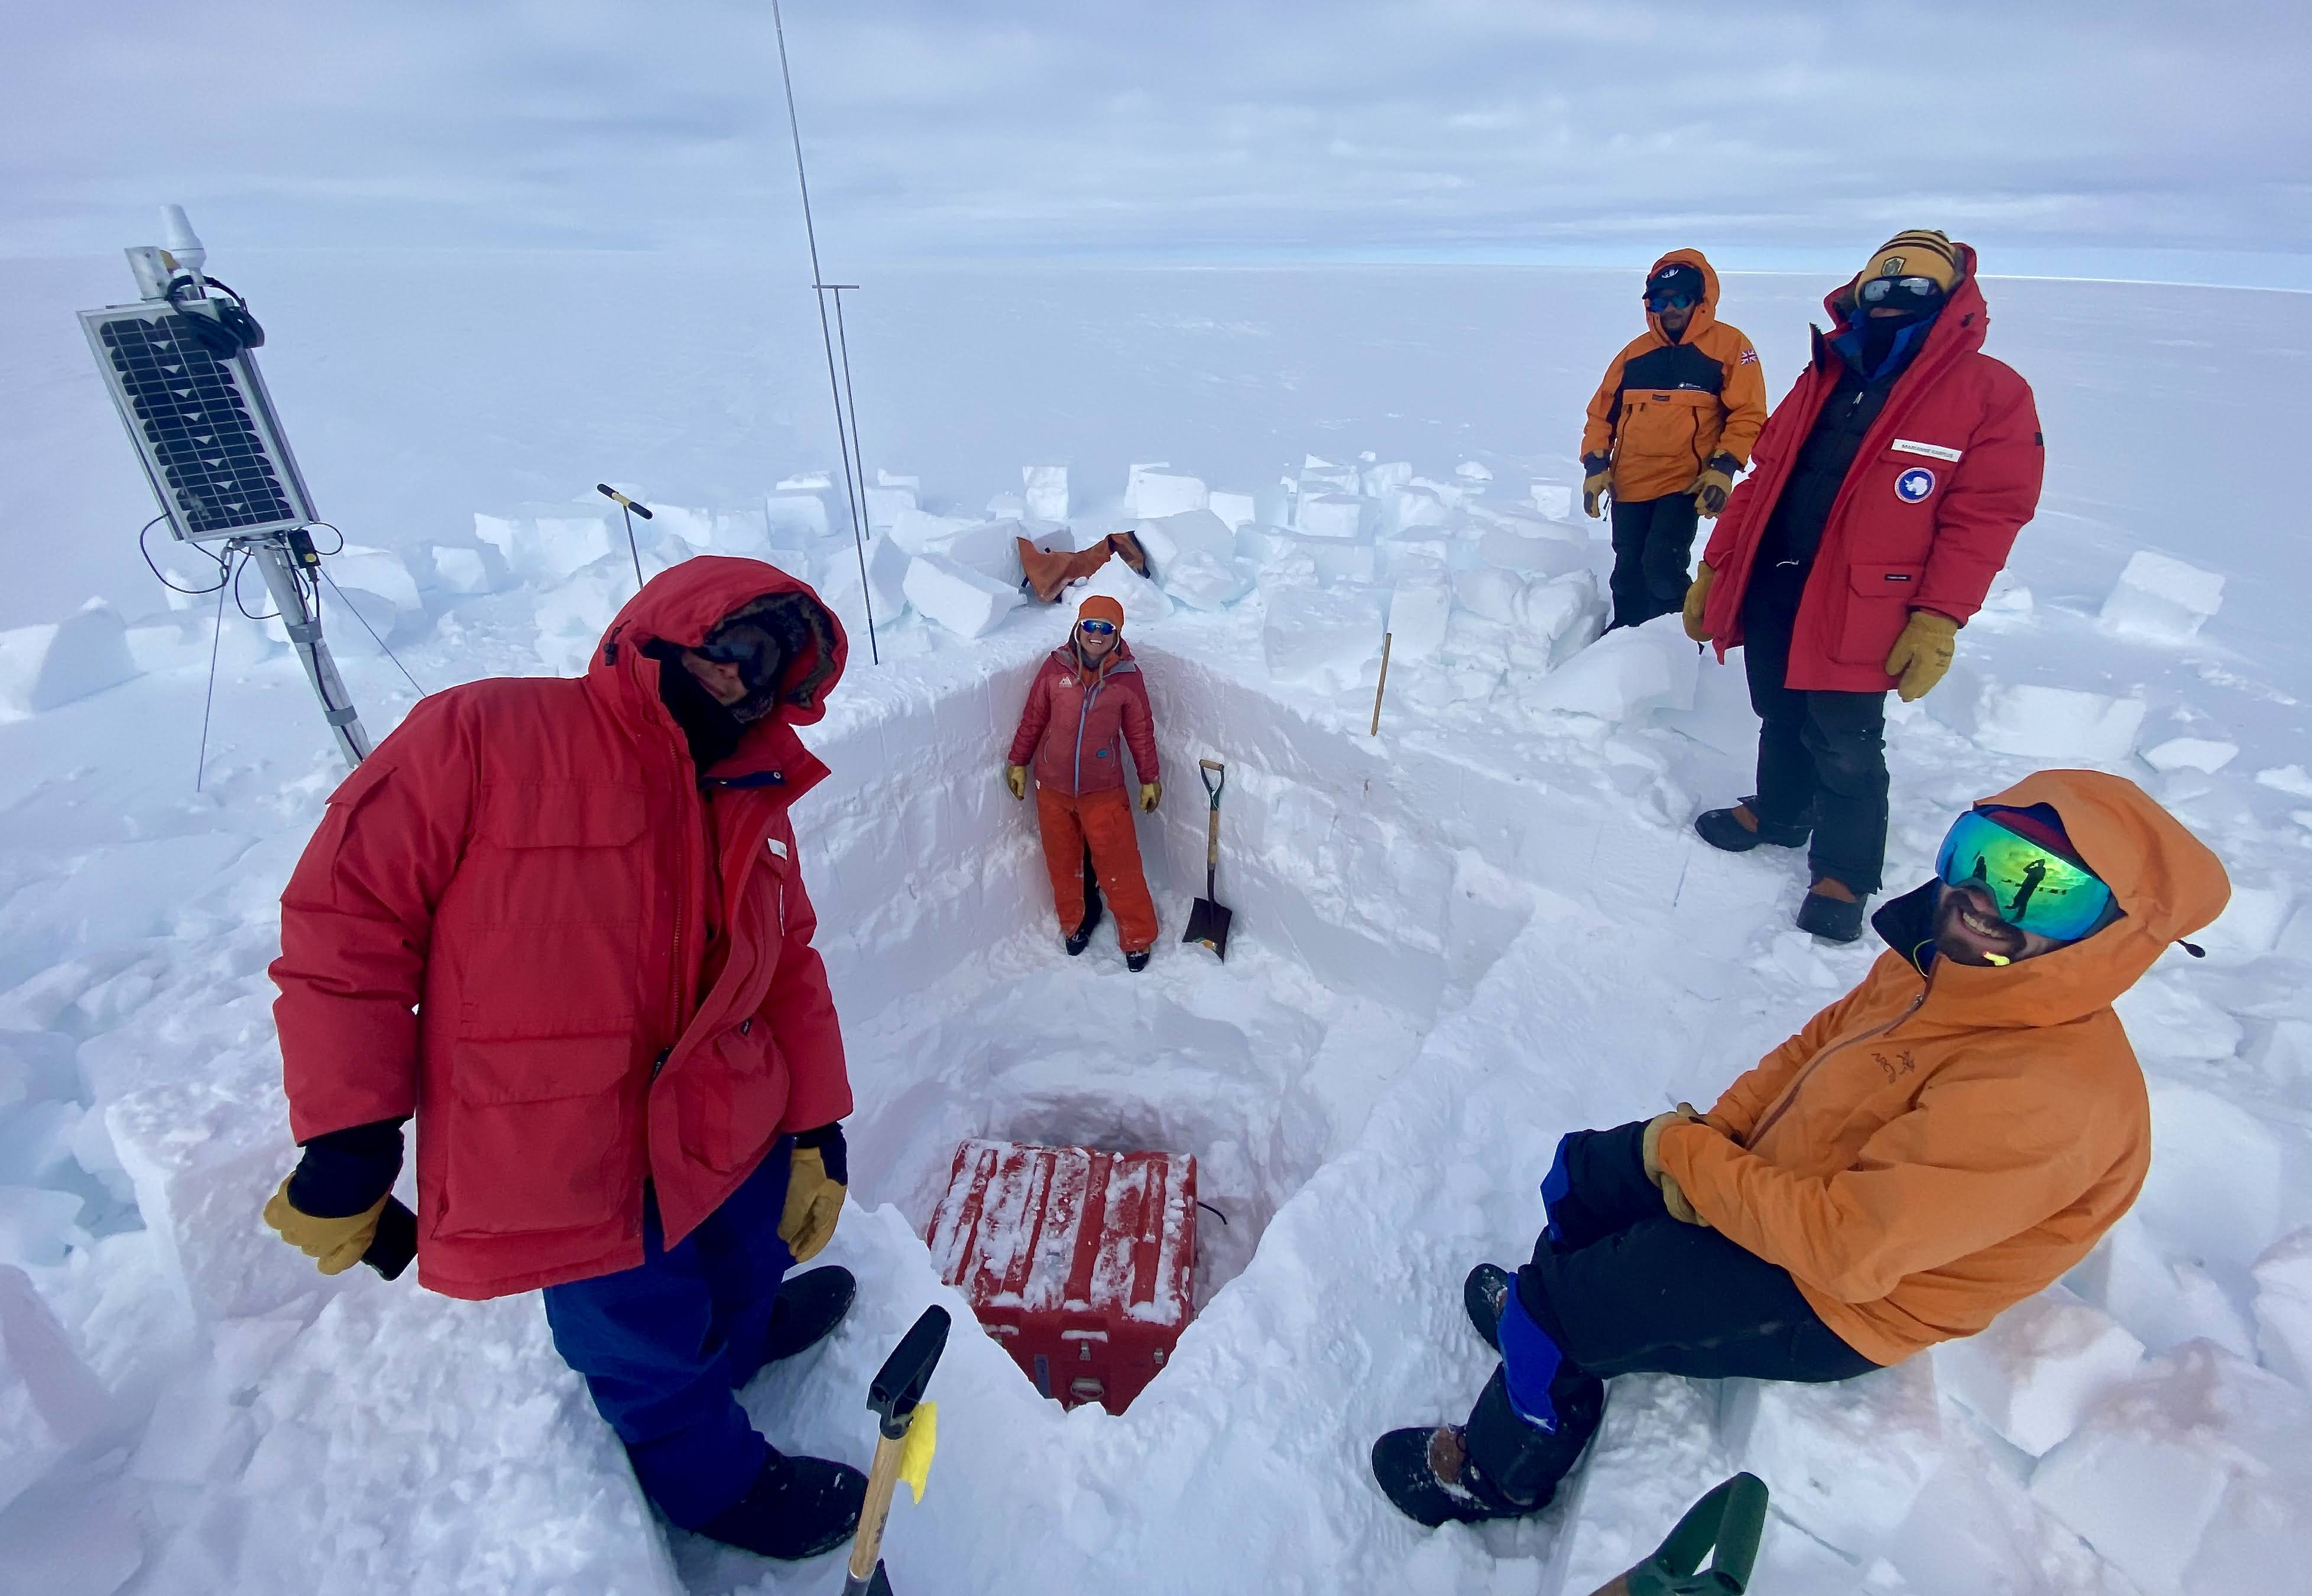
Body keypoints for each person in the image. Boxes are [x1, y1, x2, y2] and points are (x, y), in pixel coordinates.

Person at [1372, 770, 2229, 1528]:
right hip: (1777, 1188)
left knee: (1564, 1305)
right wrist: (1708, 1137)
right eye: (1978, 852)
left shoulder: (2049, 1094)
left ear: (2115, 934)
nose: (1979, 895)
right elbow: (1808, 1052)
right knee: (1582, 1173)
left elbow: (1847, 1253)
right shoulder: (1937, 964)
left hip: (1837, 1299)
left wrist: (1689, 1165)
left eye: (2039, 889)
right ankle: (1557, 1334)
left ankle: (1500, 1468)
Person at [262, 558, 870, 1561]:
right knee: (642, 1334)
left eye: (774, 675)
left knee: (746, 1254)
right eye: (738, 653)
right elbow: (344, 923)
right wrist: (350, 1135)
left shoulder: (749, 791)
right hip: (567, 1143)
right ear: (664, 633)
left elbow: (787, 965)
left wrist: (819, 1123)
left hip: (728, 1119)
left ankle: (748, 1342)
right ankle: (711, 1484)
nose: (747, 689)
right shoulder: (484, 735)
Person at [1685, 231, 2045, 942]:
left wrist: (1938, 617)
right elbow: (1762, 480)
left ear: (1949, 299)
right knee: (1777, 709)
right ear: (1857, 295)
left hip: (1864, 602)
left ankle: (1844, 872)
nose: (1890, 304)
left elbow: (1984, 516)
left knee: (1846, 740)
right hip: (1777, 578)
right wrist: (1715, 566)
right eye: (1878, 289)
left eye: (1913, 290)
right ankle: (1781, 812)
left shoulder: (1988, 392)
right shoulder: (1824, 373)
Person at [1580, 249, 1769, 630]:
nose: (1670, 309)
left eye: (1680, 299)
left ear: (1701, 301)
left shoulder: (1731, 348)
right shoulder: (1634, 355)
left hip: (1685, 483)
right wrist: (1595, 466)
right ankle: (1622, 642)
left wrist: (1723, 469)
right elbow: (1601, 414)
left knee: (1663, 568)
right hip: (1629, 482)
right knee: (1628, 569)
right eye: (1659, 301)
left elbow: (1748, 415)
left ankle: (1675, 642)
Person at [1004, 595, 1163, 971]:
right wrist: (1018, 762)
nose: (1097, 634)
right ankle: (1075, 925)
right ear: (1078, 627)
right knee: (1063, 862)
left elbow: (1140, 732)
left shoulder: (1127, 677)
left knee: (1120, 863)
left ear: (1117, 634)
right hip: (1053, 789)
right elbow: (1033, 719)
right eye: (1090, 625)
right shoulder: (1055, 667)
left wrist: (1149, 779)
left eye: (1106, 628)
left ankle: (1137, 936)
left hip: (1103, 791)